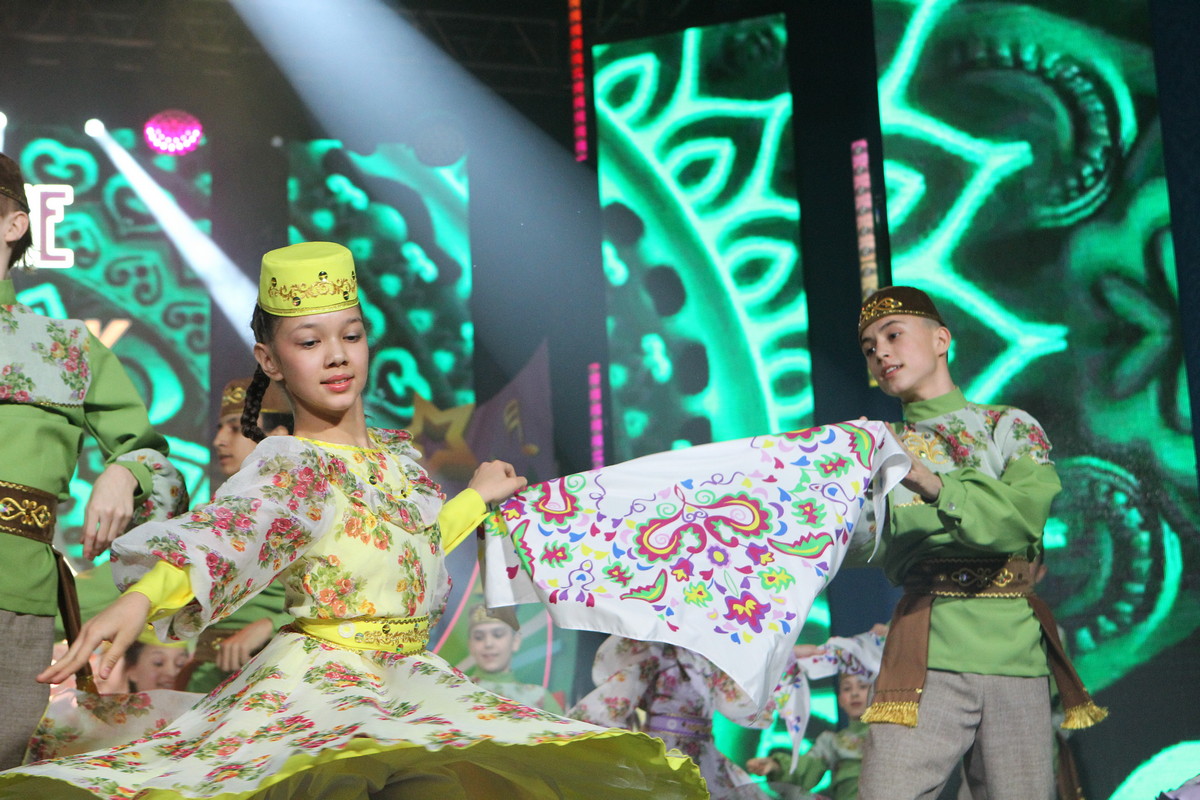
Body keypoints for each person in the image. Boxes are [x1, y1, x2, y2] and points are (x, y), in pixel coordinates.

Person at [0, 241, 706, 799]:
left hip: (408, 680)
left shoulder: (399, 461)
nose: (336, 355)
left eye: (351, 335)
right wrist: (140, 597)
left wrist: (473, 499)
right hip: (325, 687)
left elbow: (406, 548)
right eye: (309, 342)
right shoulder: (291, 465)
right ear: (271, 360)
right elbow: (230, 537)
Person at [850, 286, 1105, 800]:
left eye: (893, 335)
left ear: (941, 340)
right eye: (870, 347)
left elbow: (1023, 520)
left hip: (1014, 655)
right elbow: (871, 544)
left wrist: (933, 486)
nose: (881, 353)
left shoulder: (1008, 426)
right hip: (926, 653)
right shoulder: (876, 449)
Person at [0, 151, 186, 770]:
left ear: (15, 224)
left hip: (12, 594)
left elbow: (162, 471)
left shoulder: (65, 348)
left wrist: (124, 470)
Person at [183, 377, 294, 693]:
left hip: (274, 672)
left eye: (235, 428)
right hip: (207, 673)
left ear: (277, 437)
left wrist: (272, 625)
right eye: (221, 428)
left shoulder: (307, 508)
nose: (219, 440)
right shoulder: (219, 508)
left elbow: (347, 589)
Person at [570, 635, 773, 800]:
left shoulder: (714, 657)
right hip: (662, 746)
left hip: (703, 752)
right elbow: (620, 695)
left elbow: (738, 705)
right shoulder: (655, 651)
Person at [746, 673, 871, 800]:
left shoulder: (883, 736)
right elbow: (803, 771)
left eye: (862, 686)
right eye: (847, 689)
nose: (854, 693)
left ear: (877, 694)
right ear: (840, 700)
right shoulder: (831, 742)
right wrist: (775, 766)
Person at [463, 604, 563, 714]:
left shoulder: (539, 697)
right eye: (479, 637)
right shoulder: (457, 689)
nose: (488, 643)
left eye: (498, 635)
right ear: (470, 645)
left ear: (515, 641)